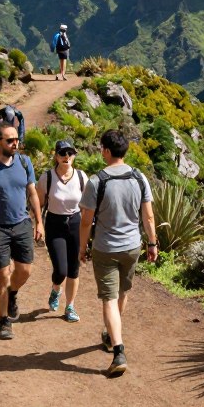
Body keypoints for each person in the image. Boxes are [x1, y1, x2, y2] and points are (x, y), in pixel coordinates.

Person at [78, 130, 158, 376]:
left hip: (106, 248)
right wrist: (152, 244)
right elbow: (149, 216)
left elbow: (86, 222)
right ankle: (110, 334)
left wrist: (83, 247)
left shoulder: (96, 181)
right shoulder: (139, 177)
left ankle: (119, 350)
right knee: (122, 292)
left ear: (106, 151)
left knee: (109, 299)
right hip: (132, 246)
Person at [0, 121, 44, 340]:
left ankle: (12, 293)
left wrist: (39, 221)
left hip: (21, 223)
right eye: (10, 140)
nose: (15, 144)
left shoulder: (24, 162)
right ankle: (3, 321)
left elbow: (32, 194)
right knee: (2, 273)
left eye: (16, 139)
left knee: (24, 271)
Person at [37, 139, 89, 323]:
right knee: (61, 269)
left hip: (75, 223)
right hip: (55, 224)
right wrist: (38, 224)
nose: (66, 156)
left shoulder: (82, 177)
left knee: (74, 270)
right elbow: (38, 204)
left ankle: (70, 307)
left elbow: (87, 207)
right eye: (62, 153)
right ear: (56, 156)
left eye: (70, 153)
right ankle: (55, 289)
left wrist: (87, 231)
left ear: (74, 155)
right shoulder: (47, 178)